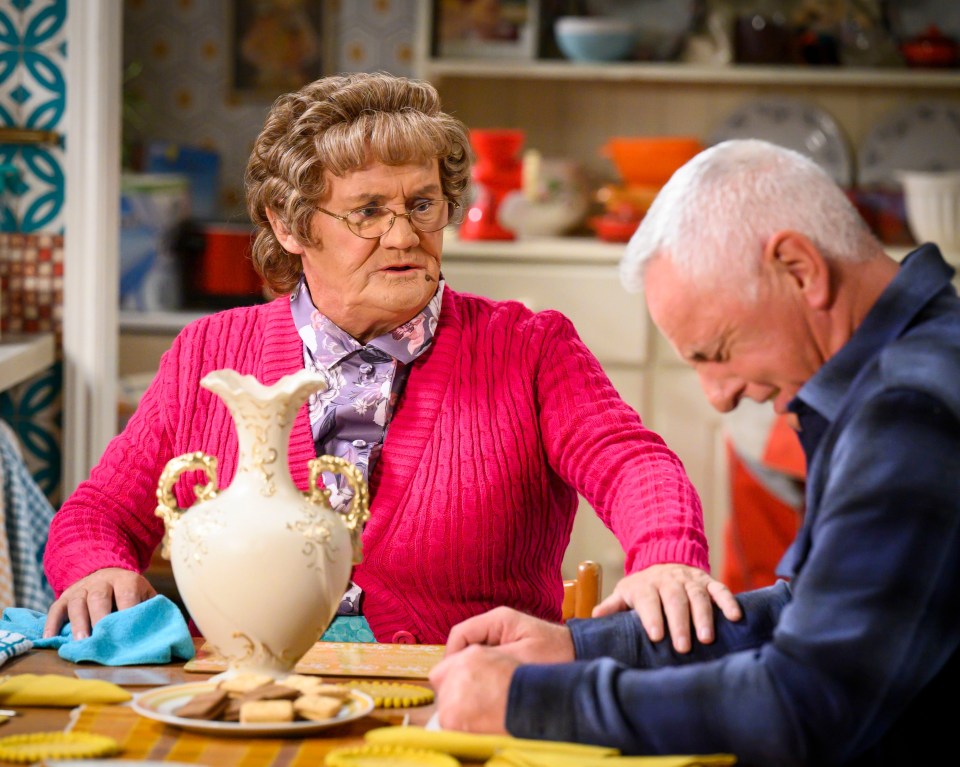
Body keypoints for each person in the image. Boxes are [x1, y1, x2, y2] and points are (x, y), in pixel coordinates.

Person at [42, 72, 739, 647]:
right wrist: (96, 570)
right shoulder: (210, 352)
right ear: (290, 225)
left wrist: (667, 556)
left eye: (423, 204)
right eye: (368, 211)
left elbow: (633, 463)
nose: (404, 233)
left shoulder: (528, 348)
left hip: (455, 699)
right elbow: (98, 511)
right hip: (244, 702)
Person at [429, 138, 960, 765]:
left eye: (717, 351)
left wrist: (531, 702)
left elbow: (803, 704)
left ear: (799, 269)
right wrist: (582, 646)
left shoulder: (909, 409)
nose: (718, 398)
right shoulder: (915, 365)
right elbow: (814, 613)